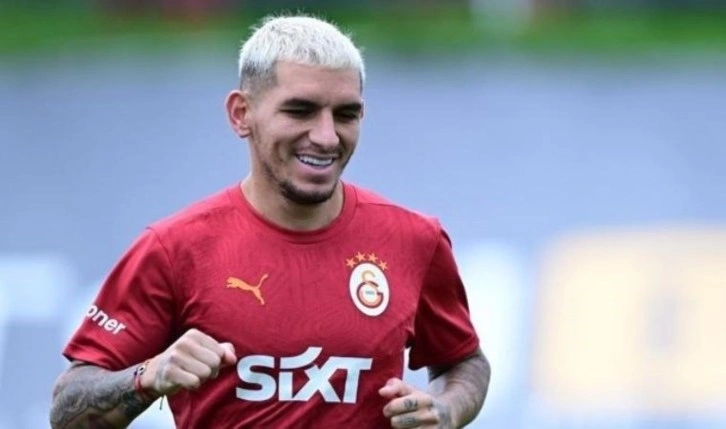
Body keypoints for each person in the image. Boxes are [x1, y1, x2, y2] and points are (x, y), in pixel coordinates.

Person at [49, 13, 490, 429]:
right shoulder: (174, 248)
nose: (326, 136)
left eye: (345, 114)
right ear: (241, 114)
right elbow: (68, 409)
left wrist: (446, 409)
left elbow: (464, 361)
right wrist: (147, 375)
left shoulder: (415, 240)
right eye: (300, 111)